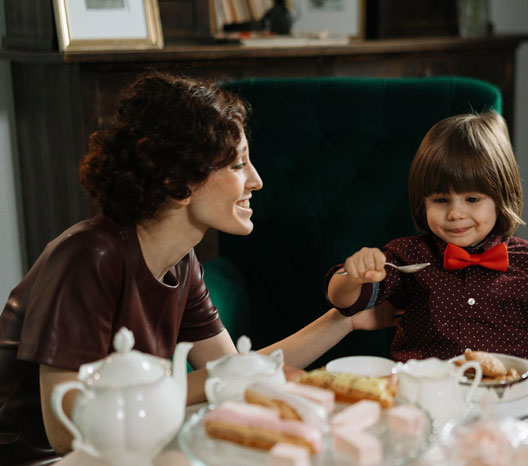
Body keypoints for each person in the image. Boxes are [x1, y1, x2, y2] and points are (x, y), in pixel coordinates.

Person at [0, 72, 395, 464]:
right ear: (179, 181)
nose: (256, 180)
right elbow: (64, 432)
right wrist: (204, 384)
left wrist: (344, 319)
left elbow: (236, 368)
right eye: (238, 165)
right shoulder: (89, 256)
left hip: (124, 446)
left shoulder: (183, 262)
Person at [326, 112, 528, 407]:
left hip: (509, 409)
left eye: (472, 199)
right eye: (441, 200)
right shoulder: (407, 257)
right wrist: (353, 275)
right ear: (423, 203)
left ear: (501, 197)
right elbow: (345, 301)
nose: (455, 214)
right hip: (424, 404)